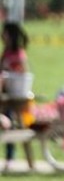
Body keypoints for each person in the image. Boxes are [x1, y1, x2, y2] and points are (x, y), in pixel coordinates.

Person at [1, 22, 30, 168]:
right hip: (4, 93)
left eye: (5, 33)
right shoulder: (6, 52)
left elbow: (23, 72)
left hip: (14, 94)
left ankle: (10, 156)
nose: (3, 36)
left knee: (11, 121)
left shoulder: (18, 54)